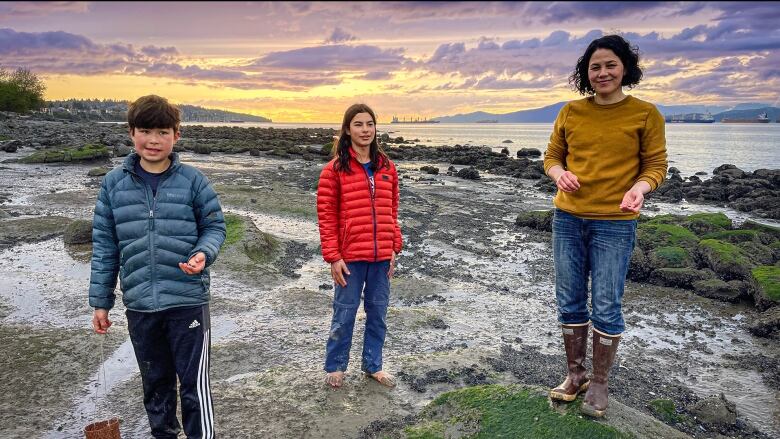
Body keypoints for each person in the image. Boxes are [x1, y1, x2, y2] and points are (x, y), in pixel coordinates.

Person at [543, 35, 667, 417]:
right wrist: (559, 173)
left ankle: (599, 382)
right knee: (569, 300)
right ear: (586, 73)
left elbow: (656, 166)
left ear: (625, 68)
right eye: (595, 67)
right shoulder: (571, 112)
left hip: (615, 222)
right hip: (568, 219)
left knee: (608, 304)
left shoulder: (645, 114)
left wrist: (640, 189)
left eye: (610, 65)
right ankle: (575, 375)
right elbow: (551, 157)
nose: (603, 73)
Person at [89, 95, 226, 438]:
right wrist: (101, 301)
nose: (153, 140)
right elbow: (105, 245)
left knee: (193, 385)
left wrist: (203, 253)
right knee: (155, 383)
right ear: (131, 132)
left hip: (187, 300)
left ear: (176, 135)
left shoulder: (193, 181)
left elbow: (214, 226)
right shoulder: (113, 184)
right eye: (145, 130)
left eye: (162, 132)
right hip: (139, 305)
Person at [316, 103, 402, 389]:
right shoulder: (334, 170)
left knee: (378, 314)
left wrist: (394, 247)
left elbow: (392, 210)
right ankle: (336, 367)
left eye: (369, 124)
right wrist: (333, 256)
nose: (365, 130)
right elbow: (326, 216)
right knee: (345, 314)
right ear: (347, 129)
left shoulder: (387, 167)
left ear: (376, 128)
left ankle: (373, 365)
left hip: (381, 258)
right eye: (358, 124)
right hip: (350, 257)